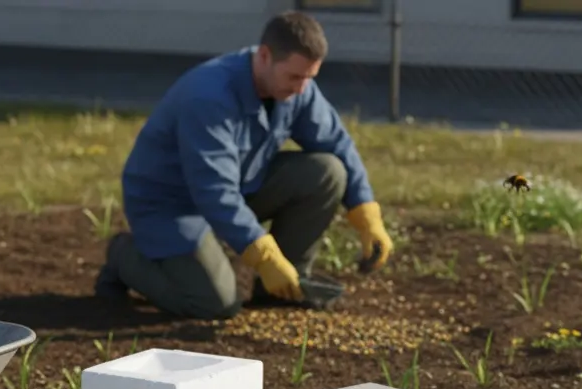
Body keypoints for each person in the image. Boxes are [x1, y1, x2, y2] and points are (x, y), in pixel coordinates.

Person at [94, 11, 394, 319]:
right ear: (264, 56)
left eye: (310, 78)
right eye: (295, 77)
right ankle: (124, 256)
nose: (302, 89)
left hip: (236, 187)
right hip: (172, 208)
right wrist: (264, 256)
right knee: (214, 304)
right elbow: (213, 191)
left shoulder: (295, 88)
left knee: (327, 172)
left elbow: (336, 143)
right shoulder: (209, 97)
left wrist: (366, 215)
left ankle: (284, 285)